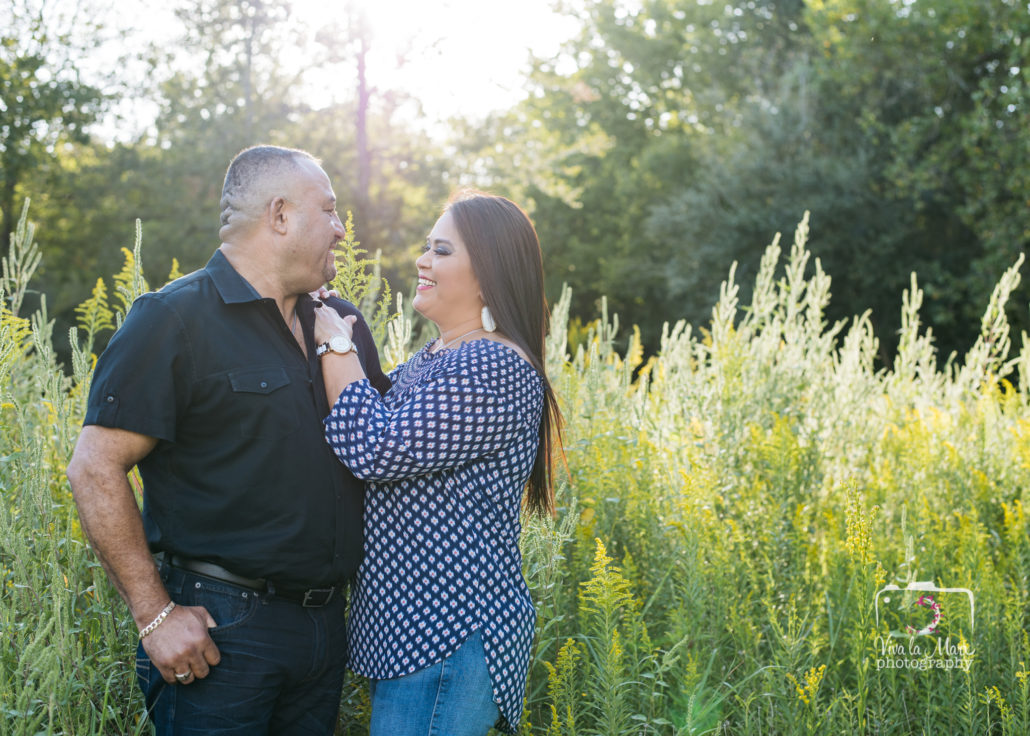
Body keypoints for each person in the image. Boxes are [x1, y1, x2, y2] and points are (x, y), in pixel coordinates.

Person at [65, 145, 389, 735]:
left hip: (326, 628)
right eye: (331, 212)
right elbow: (94, 468)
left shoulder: (340, 326)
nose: (342, 231)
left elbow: (383, 451)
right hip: (221, 629)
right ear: (281, 215)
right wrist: (155, 614)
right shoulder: (174, 319)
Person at [311, 190, 563, 735]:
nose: (423, 261)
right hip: (417, 634)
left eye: (442, 250)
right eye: (427, 247)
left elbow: (374, 448)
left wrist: (336, 344)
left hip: (449, 633)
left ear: (488, 271)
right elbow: (368, 408)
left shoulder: (493, 365)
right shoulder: (440, 356)